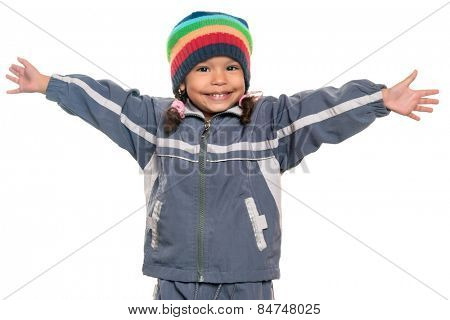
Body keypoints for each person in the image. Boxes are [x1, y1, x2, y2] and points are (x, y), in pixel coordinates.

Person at [5, 11, 439, 300]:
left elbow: (323, 109)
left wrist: (379, 99)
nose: (219, 79)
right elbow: (108, 104)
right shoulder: (156, 123)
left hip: (248, 275)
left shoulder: (270, 121)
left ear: (245, 74)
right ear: (181, 80)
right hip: (173, 275)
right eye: (203, 68)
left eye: (231, 67)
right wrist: (51, 85)